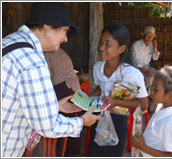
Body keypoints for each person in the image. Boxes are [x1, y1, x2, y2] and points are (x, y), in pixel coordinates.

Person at [1, 2, 100, 157]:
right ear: (47, 26)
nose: (66, 39)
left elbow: (14, 98)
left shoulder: (10, 42)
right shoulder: (32, 61)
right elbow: (48, 126)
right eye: (65, 31)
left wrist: (54, 106)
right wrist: (82, 122)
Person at [87, 23, 149, 157]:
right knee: (94, 152)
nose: (101, 48)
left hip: (118, 119)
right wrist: (90, 96)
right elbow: (101, 86)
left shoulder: (131, 74)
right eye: (101, 42)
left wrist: (116, 102)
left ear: (121, 48)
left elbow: (143, 104)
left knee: (111, 153)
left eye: (107, 44)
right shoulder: (98, 67)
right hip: (97, 114)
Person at [130, 66, 172, 157]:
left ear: (171, 95)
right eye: (153, 87)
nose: (151, 92)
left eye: (156, 89)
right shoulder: (162, 108)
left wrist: (142, 146)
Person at [130, 26, 159, 113]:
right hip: (136, 69)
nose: (150, 38)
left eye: (152, 36)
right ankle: (145, 100)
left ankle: (153, 99)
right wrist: (146, 72)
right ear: (143, 35)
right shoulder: (135, 45)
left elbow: (155, 58)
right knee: (149, 78)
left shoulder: (151, 45)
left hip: (147, 66)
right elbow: (135, 63)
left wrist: (155, 48)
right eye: (148, 35)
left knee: (160, 76)